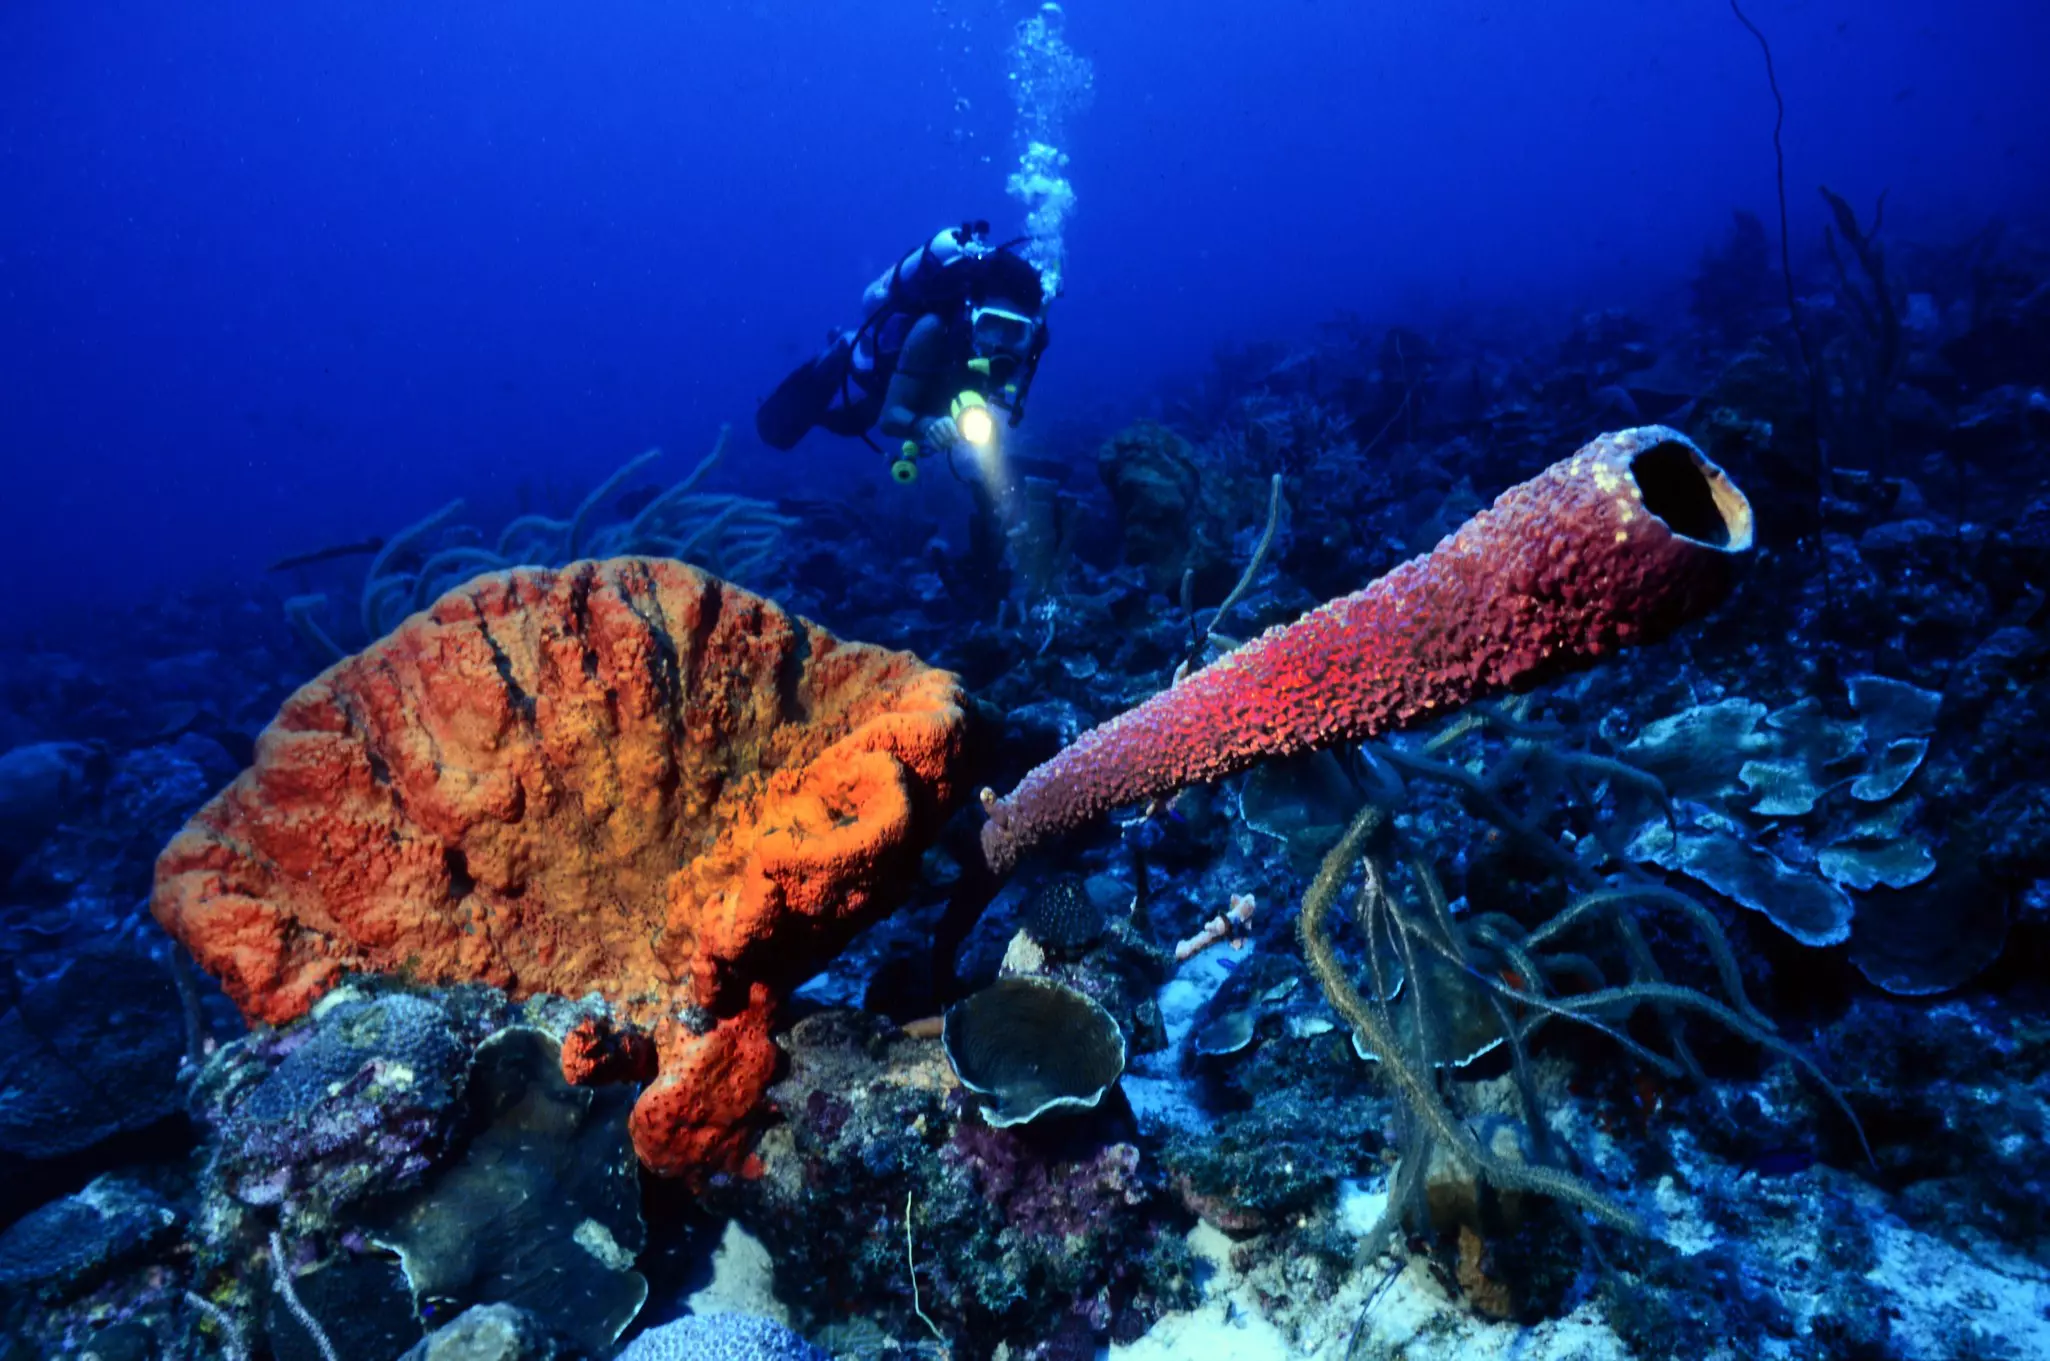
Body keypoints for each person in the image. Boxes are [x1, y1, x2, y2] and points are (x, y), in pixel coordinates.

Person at [755, 222, 1051, 483]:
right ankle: (844, 347)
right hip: (886, 372)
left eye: (1014, 331)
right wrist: (926, 425)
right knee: (817, 424)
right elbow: (889, 418)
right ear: (972, 314)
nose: (998, 343)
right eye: (990, 325)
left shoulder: (1029, 348)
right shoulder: (932, 329)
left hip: (940, 388)